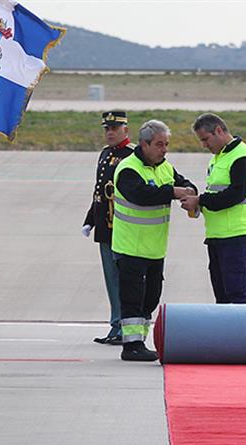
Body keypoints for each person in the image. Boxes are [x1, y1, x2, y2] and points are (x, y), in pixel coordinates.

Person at [111, 120, 197, 362]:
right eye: (159, 144)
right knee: (132, 298)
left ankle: (141, 340)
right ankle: (131, 345)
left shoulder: (165, 167)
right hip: (131, 247)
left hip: (155, 248)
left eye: (166, 144)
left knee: (151, 296)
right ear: (144, 144)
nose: (164, 149)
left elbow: (183, 182)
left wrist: (188, 189)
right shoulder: (128, 169)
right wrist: (173, 192)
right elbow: (141, 196)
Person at [180, 113, 246, 304]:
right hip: (218, 235)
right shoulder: (218, 158)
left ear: (218, 131)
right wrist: (198, 203)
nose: (204, 145)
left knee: (237, 291)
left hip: (237, 234)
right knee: (222, 293)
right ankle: (228, 333)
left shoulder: (243, 157)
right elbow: (216, 193)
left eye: (206, 139)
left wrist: (200, 200)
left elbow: (235, 195)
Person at [82, 111, 134, 345]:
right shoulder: (105, 154)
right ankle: (116, 326)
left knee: (124, 279)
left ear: (125, 130)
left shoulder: (132, 156)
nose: (110, 133)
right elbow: (100, 192)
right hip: (105, 227)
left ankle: (125, 326)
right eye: (107, 129)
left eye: (114, 128)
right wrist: (90, 219)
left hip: (123, 227)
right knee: (111, 280)